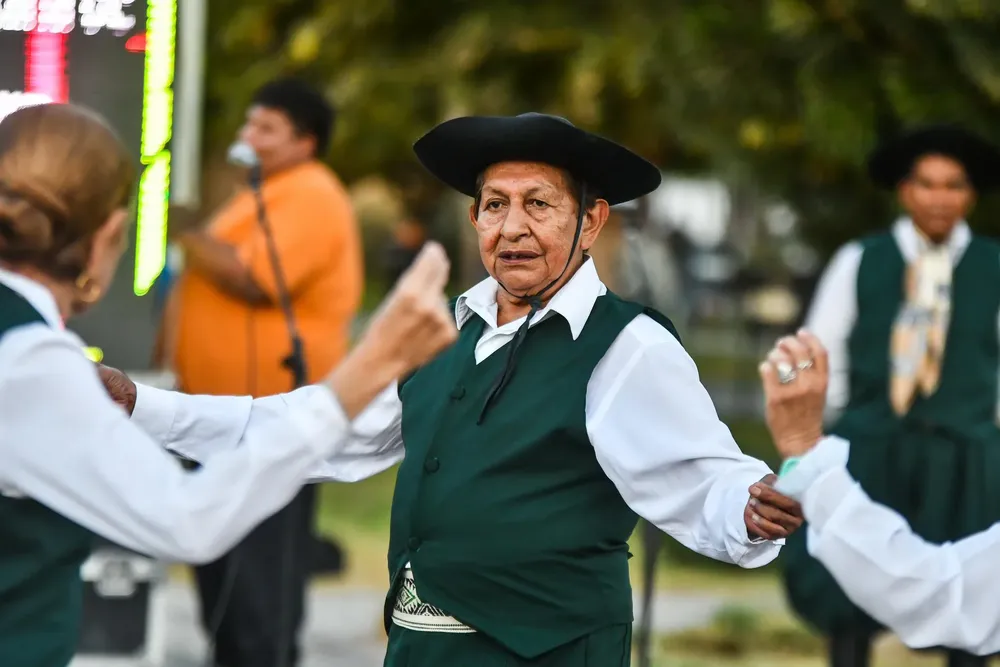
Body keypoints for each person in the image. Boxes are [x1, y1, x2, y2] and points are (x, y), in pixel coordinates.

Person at [103, 112, 807, 666]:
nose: (513, 227)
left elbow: (705, 479)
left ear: (591, 221)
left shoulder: (630, 345)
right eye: (494, 204)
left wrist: (748, 509)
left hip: (550, 653)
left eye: (540, 203)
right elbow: (312, 428)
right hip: (422, 650)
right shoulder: (439, 330)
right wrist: (143, 405)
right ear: (474, 220)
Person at [0, 103, 456, 667]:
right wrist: (363, 375)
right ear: (109, 236)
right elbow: (187, 520)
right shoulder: (28, 358)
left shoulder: (306, 195)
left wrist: (143, 403)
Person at [158, 78, 364, 667]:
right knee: (224, 589)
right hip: (218, 421)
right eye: (249, 124)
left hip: (270, 422)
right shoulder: (259, 193)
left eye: (266, 127)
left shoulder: (312, 192)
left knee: (258, 599)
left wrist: (188, 235)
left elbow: (256, 278)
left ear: (306, 141)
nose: (249, 137)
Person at [779, 124, 1000, 667]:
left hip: (964, 455)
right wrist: (816, 429)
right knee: (849, 589)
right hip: (875, 446)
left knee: (971, 597)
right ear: (905, 190)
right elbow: (820, 348)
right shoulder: (861, 259)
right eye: (927, 183)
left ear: (969, 194)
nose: (940, 197)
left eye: (953, 185)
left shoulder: (995, 267)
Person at [761, 329, 1000, 658]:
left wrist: (808, 456)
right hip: (876, 449)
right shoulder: (853, 274)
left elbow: (938, 594)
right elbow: (938, 591)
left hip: (963, 459)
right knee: (848, 622)